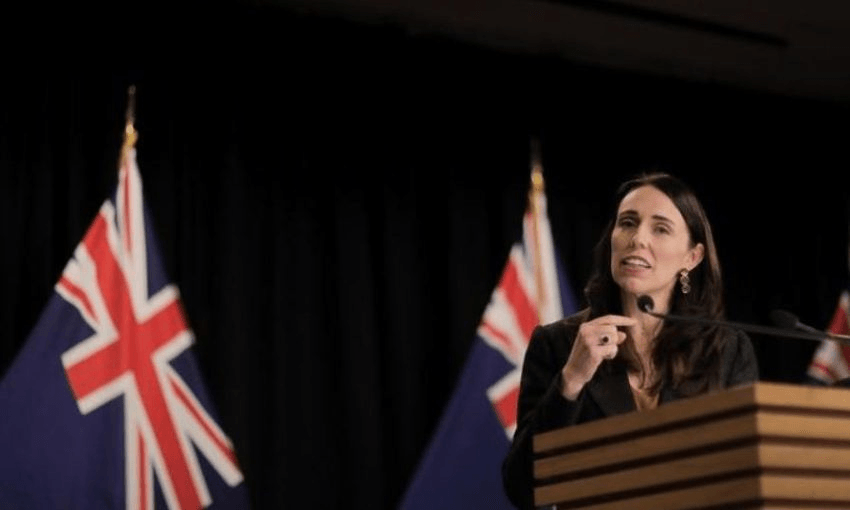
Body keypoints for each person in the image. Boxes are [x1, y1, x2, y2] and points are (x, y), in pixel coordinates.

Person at [501, 172, 759, 510]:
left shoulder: (727, 351)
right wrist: (572, 380)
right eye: (628, 223)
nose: (638, 239)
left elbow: (745, 480)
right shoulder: (560, 344)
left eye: (661, 228)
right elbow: (523, 489)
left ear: (692, 258)